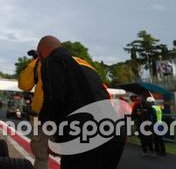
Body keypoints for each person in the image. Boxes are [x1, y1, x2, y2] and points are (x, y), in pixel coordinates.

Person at [38, 36, 124, 169]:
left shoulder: (52, 60)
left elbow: (55, 98)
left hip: (84, 135)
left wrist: (50, 132)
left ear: (41, 53)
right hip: (114, 133)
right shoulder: (86, 65)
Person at [18, 49, 49, 169]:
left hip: (42, 114)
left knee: (41, 155)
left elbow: (24, 84)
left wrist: (34, 61)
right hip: (75, 114)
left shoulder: (39, 62)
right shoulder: (80, 62)